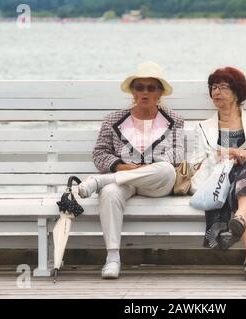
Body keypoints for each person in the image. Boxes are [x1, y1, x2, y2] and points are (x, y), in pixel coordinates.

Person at [78, 62, 184, 279]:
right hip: (124, 181)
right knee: (109, 192)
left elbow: (177, 155)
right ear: (133, 91)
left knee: (167, 170)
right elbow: (100, 153)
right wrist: (120, 166)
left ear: (160, 92)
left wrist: (148, 167)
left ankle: (100, 181)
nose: (144, 92)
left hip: (156, 182)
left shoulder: (175, 121)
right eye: (139, 87)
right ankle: (113, 258)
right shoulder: (113, 119)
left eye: (151, 88)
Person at [190, 67, 246, 281]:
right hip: (221, 181)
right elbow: (196, 163)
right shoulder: (203, 127)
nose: (216, 92)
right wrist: (226, 154)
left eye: (223, 87)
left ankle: (244, 230)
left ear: (237, 92)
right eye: (213, 87)